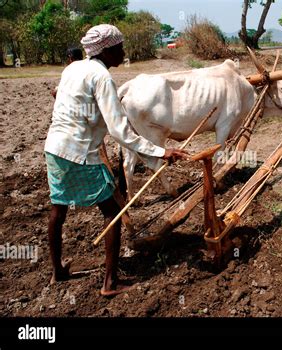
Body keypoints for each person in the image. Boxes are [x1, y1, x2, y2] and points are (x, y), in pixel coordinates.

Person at [44, 24, 188, 297]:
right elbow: (120, 131)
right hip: (80, 154)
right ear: (107, 51)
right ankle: (110, 283)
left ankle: (57, 272)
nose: (123, 52)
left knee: (57, 212)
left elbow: (62, 96)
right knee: (113, 213)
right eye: (119, 48)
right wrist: (160, 152)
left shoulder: (72, 68)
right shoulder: (102, 78)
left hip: (54, 148)